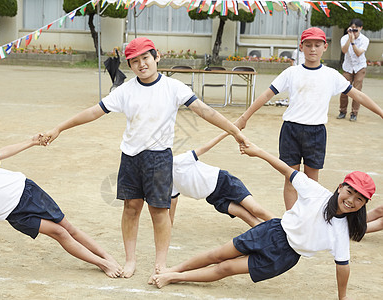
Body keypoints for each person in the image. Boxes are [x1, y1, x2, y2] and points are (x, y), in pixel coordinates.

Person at [40, 37, 249, 280]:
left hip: (159, 159)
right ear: (130, 65)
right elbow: (93, 112)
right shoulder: (125, 91)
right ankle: (130, 260)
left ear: (156, 56)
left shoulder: (174, 88)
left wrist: (235, 132)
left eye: (146, 58)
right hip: (131, 158)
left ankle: (160, 264)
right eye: (135, 61)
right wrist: (59, 128)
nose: (142, 64)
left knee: (160, 210)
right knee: (130, 208)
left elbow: (206, 111)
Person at [152, 141, 375, 300]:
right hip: (272, 231)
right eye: (350, 192)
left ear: (364, 205)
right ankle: (174, 270)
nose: (351, 200)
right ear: (340, 187)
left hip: (285, 256)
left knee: (226, 268)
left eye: (359, 199)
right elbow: (288, 171)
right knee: (217, 254)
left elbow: (343, 267)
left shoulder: (342, 231)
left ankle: (172, 278)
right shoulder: (316, 192)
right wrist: (257, 152)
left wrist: (343, 297)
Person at [234, 27, 383, 210]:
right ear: (301, 47)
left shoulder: (331, 75)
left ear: (325, 47)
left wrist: (381, 113)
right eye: (308, 45)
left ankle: (312, 218)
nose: (313, 49)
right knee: (291, 178)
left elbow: (358, 95)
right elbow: (266, 95)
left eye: (317, 45)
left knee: (312, 182)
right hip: (291, 130)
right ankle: (291, 219)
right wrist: (244, 118)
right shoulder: (291, 73)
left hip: (316, 132)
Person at [0, 134, 123, 278]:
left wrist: (31, 142)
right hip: (17, 216)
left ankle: (106, 256)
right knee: (60, 233)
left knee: (68, 227)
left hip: (27, 192)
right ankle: (102, 263)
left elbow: (1, 153)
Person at [170, 132, 275, 227]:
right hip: (213, 198)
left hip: (224, 182)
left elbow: (205, 147)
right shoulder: (166, 181)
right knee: (246, 217)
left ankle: (286, 229)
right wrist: (168, 225)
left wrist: (227, 132)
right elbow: (172, 202)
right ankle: (273, 237)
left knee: (255, 210)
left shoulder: (178, 161)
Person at [337, 19, 369, 122]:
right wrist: (349, 39)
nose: (353, 32)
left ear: (361, 28)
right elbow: (344, 50)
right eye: (351, 30)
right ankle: (342, 111)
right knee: (344, 89)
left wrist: (353, 42)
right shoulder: (344, 38)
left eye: (356, 30)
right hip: (348, 67)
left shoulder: (365, 39)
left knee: (357, 90)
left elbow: (359, 53)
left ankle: (354, 113)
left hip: (360, 67)